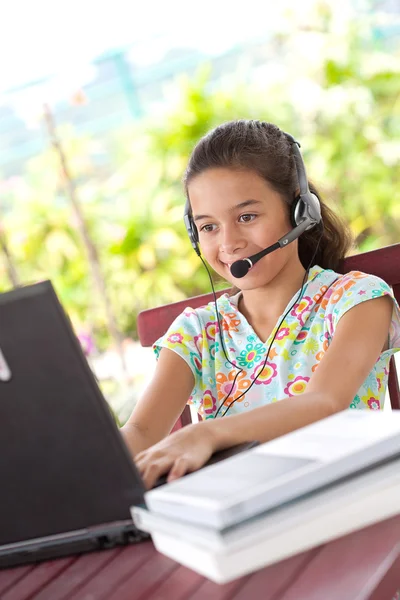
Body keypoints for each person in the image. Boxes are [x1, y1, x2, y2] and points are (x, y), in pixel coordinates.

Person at [121, 120, 400, 490]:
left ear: (299, 211)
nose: (229, 242)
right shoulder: (195, 333)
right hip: (239, 518)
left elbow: (323, 403)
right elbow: (141, 430)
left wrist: (206, 434)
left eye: (247, 217)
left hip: (352, 503)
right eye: (208, 227)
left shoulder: (356, 300)